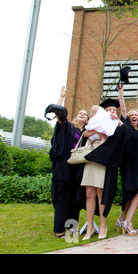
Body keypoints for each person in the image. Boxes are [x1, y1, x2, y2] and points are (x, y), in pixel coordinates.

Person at [81, 98, 126, 240]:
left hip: (105, 160)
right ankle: (89, 227)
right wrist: (98, 130)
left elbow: (123, 136)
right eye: (109, 110)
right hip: (91, 157)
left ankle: (102, 226)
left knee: (101, 193)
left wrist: (113, 124)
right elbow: (85, 134)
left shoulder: (117, 125)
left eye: (114, 110)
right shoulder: (96, 120)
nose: (111, 112)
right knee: (89, 193)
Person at [48, 86, 88, 238]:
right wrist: (61, 97)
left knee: (75, 200)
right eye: (80, 113)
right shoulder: (68, 128)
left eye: (85, 114)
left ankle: (72, 228)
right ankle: (59, 229)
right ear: (76, 117)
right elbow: (59, 116)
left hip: (78, 170)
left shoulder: (88, 132)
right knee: (63, 199)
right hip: (64, 169)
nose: (82, 115)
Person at [116, 85, 138, 236]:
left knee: (134, 193)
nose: (134, 116)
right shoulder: (127, 127)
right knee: (136, 192)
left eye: (136, 115)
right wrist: (121, 94)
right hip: (130, 166)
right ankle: (128, 222)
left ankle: (122, 220)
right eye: (132, 115)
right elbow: (123, 112)